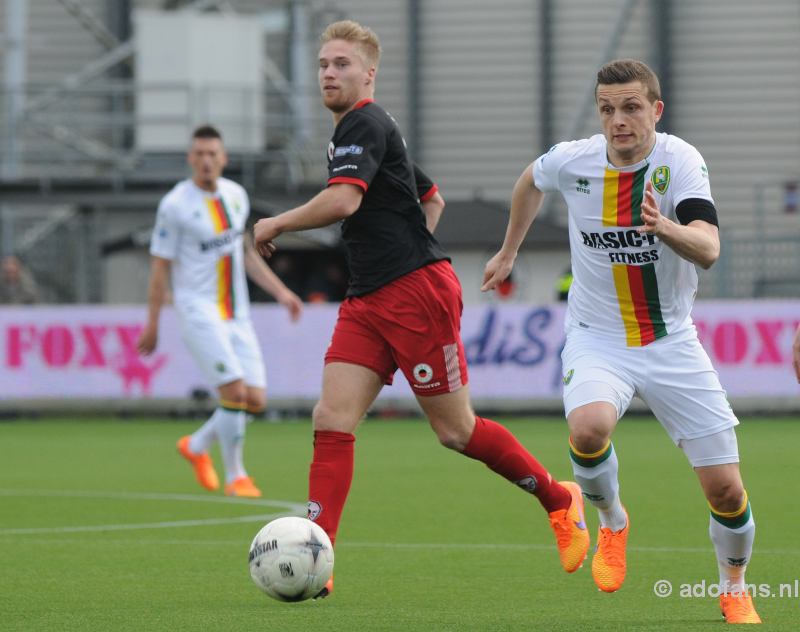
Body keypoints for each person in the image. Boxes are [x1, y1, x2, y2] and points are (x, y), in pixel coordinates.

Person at [253, 20, 589, 599]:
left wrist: (278, 222)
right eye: (323, 64)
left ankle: (559, 499)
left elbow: (343, 199)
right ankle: (318, 556)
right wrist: (410, 240)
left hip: (413, 296)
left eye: (341, 64)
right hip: (369, 297)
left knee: (455, 432)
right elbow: (429, 195)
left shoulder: (364, 121)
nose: (329, 73)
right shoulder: (359, 132)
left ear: (369, 73)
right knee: (331, 419)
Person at [482, 59, 761, 624]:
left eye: (632, 107)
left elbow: (708, 249)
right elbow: (529, 182)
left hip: (671, 339)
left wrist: (666, 229)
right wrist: (509, 250)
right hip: (597, 336)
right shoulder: (573, 160)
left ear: (656, 110)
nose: (619, 121)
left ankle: (733, 587)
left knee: (727, 491)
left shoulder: (679, 161)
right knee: (588, 429)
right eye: (608, 109)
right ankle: (611, 522)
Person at [137, 125, 303, 498]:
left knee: (255, 399)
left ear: (224, 158)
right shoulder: (175, 205)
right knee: (234, 391)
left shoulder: (235, 196)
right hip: (198, 310)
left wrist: (281, 292)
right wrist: (153, 324)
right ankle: (236, 475)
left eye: (213, 154)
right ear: (190, 159)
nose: (206, 160)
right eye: (199, 154)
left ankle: (195, 446)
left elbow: (243, 252)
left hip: (236, 312)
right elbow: (159, 268)